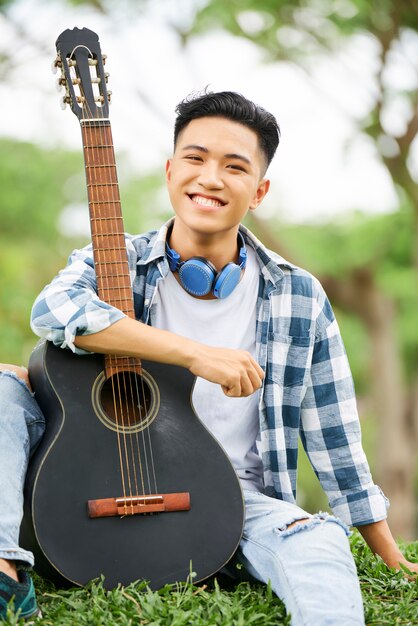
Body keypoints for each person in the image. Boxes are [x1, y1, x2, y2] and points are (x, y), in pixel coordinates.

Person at [0, 91, 416, 625]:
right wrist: (195, 355)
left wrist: (389, 554)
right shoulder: (115, 265)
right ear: (171, 170)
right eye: (195, 159)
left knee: (317, 542)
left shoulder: (298, 295)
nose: (210, 178)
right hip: (90, 488)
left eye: (234, 166)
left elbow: (333, 436)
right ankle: (7, 575)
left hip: (234, 502)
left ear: (259, 191)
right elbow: (54, 309)